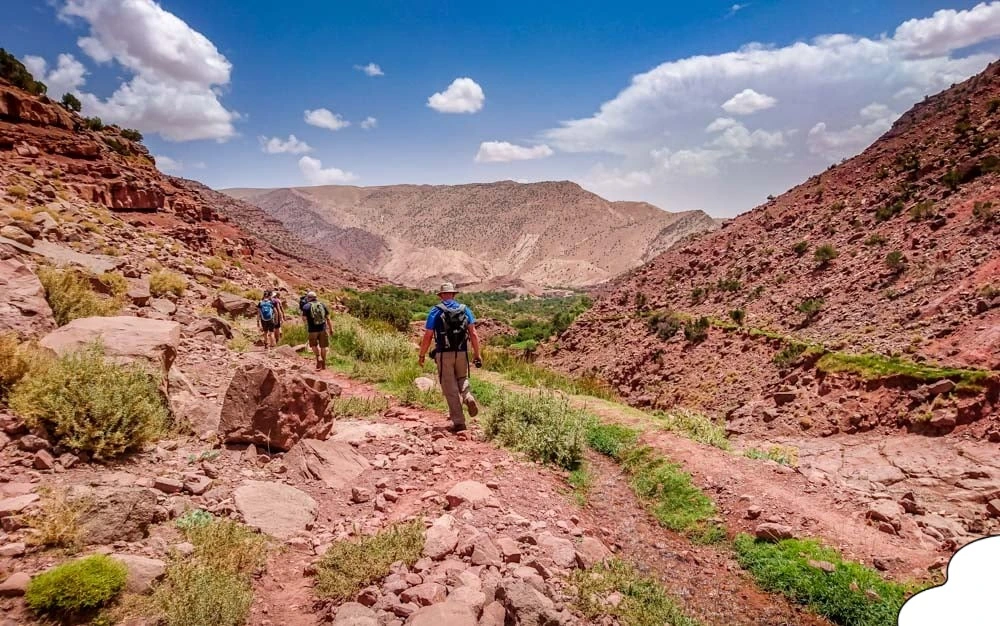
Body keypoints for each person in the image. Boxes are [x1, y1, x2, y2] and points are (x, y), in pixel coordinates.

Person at [418, 282, 482, 432]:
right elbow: (473, 333)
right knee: (462, 378)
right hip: (462, 353)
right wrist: (477, 355)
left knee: (450, 388)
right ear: (453, 295)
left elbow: (428, 335)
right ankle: (467, 396)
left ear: (441, 296)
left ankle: (459, 422)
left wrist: (421, 355)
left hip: (443, 354)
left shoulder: (435, 311)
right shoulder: (465, 310)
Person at [301, 291, 332, 370]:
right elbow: (328, 318)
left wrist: (307, 325)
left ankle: (318, 357)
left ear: (309, 298)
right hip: (323, 329)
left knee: (313, 345)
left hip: (312, 330)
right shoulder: (322, 305)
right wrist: (331, 329)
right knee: (323, 347)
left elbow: (304, 319)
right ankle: (324, 364)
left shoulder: (306, 306)